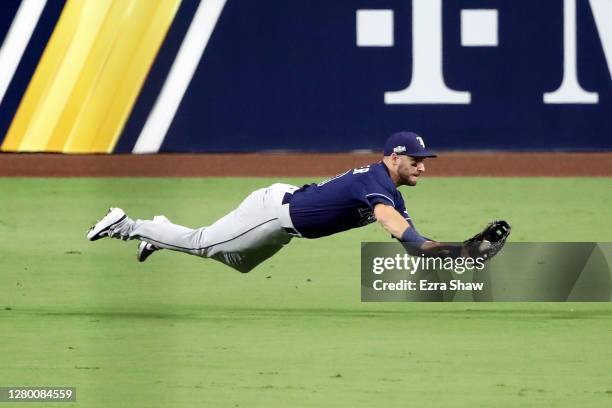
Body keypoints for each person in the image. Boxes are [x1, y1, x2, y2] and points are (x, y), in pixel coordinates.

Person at [86, 131, 506, 272]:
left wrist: (461, 252)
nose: (423, 167)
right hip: (272, 213)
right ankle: (126, 224)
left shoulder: (388, 188)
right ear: (394, 157)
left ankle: (161, 232)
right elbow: (407, 238)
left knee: (236, 261)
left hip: (283, 218)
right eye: (417, 161)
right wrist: (465, 251)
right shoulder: (377, 184)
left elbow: (415, 246)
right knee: (203, 244)